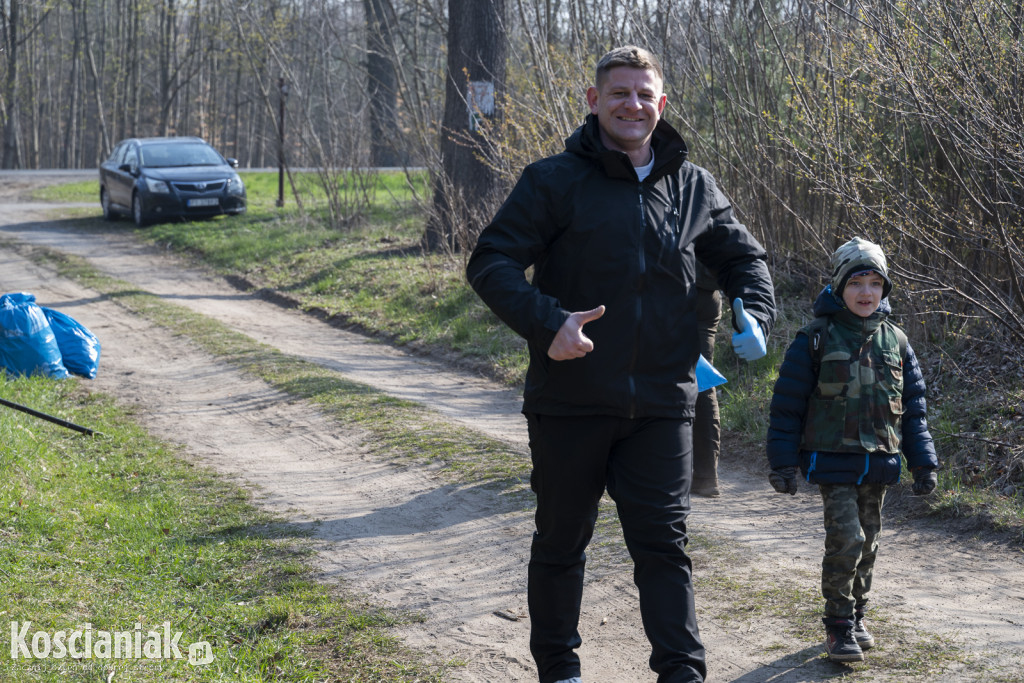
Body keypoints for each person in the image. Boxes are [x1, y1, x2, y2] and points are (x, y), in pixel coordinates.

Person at [466, 45, 776, 683]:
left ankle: (682, 673)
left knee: (665, 546)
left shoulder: (692, 185)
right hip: (572, 397)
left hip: (664, 402)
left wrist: (756, 312)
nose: (632, 105)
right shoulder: (552, 181)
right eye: (619, 94)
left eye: (644, 95)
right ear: (593, 101)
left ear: (661, 105)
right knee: (561, 542)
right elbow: (491, 261)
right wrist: (547, 322)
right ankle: (560, 670)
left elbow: (746, 259)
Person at [765, 237, 939, 663]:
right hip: (832, 460)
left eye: (876, 283)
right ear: (839, 287)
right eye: (857, 282)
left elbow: (913, 410)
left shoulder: (896, 342)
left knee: (869, 542)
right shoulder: (815, 339)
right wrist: (783, 463)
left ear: (885, 290)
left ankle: (858, 614)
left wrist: (924, 463)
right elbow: (786, 408)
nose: (866, 292)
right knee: (846, 538)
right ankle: (838, 624)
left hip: (878, 461)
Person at [692, 264, 723, 497]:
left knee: (655, 371)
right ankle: (706, 476)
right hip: (708, 293)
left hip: (673, 288)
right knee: (702, 379)